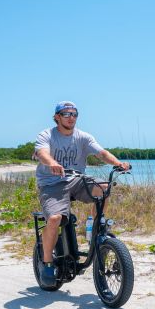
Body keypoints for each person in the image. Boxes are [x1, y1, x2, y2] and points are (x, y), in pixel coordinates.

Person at [33, 101, 130, 287]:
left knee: (104, 187)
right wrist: (51, 163)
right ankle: (46, 263)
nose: (71, 117)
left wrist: (118, 163)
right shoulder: (47, 135)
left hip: (76, 179)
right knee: (54, 219)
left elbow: (102, 153)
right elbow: (42, 153)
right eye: (66, 114)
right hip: (52, 183)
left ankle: (97, 224)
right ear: (57, 117)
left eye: (74, 114)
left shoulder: (83, 137)